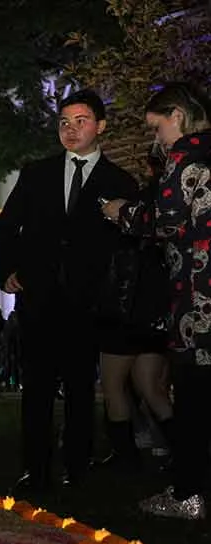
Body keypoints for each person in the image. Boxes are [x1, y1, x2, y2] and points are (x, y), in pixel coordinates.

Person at [0, 89, 139, 490]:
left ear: (100, 126)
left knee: (79, 388)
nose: (71, 131)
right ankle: (35, 468)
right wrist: (7, 271)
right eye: (64, 122)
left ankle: (78, 466)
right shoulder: (36, 173)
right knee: (36, 387)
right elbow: (6, 227)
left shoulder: (120, 181)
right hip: (39, 296)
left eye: (81, 121)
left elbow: (130, 246)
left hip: (88, 302)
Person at [102, 82, 211, 519]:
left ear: (178, 116)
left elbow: (163, 222)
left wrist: (119, 212)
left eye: (157, 127)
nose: (157, 139)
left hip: (196, 298)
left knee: (192, 397)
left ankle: (188, 494)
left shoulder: (184, 156)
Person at [95, 153, 172, 470]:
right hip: (156, 313)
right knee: (151, 385)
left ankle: (125, 456)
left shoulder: (133, 210)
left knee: (113, 385)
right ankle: (184, 451)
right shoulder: (171, 207)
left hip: (124, 312)